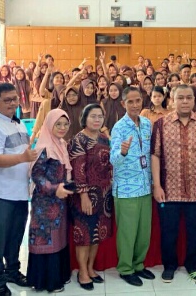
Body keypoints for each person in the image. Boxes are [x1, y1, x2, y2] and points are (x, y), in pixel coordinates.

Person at [151, 84, 196, 282]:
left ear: (194, 100)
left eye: (189, 97)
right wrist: (157, 185)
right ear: (172, 100)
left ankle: (192, 264)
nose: (185, 101)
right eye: (180, 98)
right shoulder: (162, 124)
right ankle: (169, 265)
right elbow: (155, 155)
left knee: (195, 231)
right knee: (168, 231)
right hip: (169, 189)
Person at [0, 83, 37, 296]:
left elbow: (25, 152)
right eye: (7, 100)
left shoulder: (18, 124)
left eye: (14, 99)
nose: (12, 103)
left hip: (20, 192)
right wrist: (23, 158)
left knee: (15, 236)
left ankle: (13, 270)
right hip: (1, 193)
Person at [110, 87, 156, 287]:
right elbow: (113, 161)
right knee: (127, 232)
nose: (135, 105)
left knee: (143, 231)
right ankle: (126, 268)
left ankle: (138, 264)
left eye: (138, 100)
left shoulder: (147, 124)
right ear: (123, 104)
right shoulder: (119, 128)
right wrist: (122, 152)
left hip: (145, 186)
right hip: (126, 188)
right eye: (130, 102)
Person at [26, 109, 74, 292]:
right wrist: (55, 189)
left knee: (58, 238)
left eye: (65, 124)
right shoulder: (44, 148)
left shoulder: (61, 145)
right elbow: (36, 177)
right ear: (49, 125)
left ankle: (59, 275)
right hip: (44, 204)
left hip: (60, 201)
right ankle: (46, 281)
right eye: (58, 124)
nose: (62, 128)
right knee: (46, 239)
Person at [69, 104, 113, 290]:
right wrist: (84, 195)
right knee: (85, 234)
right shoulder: (78, 139)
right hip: (85, 196)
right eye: (93, 116)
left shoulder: (105, 139)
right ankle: (82, 271)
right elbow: (78, 170)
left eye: (100, 116)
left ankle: (90, 267)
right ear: (84, 118)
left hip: (104, 195)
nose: (97, 119)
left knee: (98, 232)